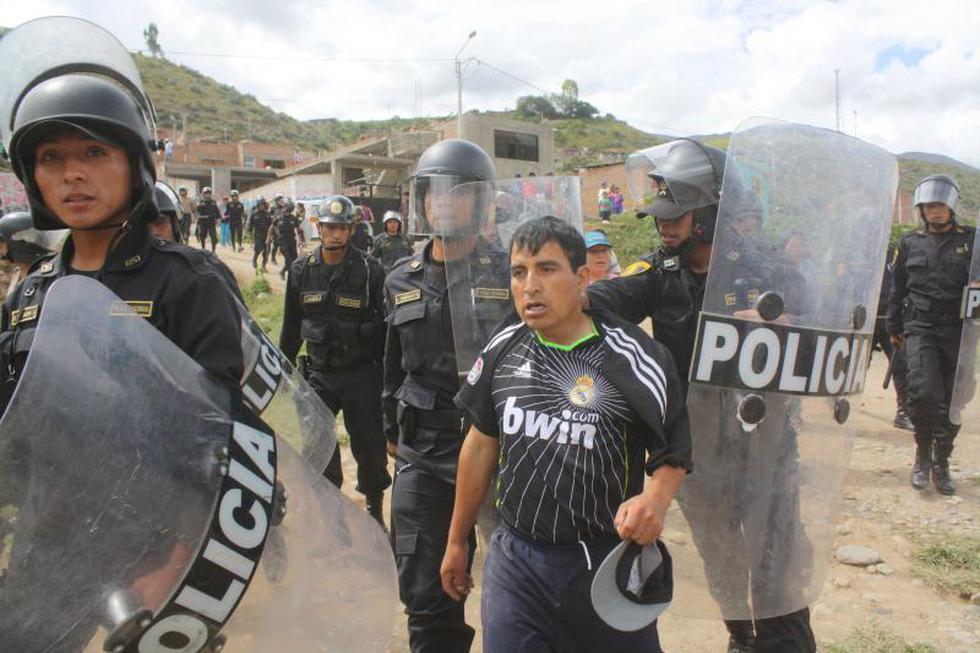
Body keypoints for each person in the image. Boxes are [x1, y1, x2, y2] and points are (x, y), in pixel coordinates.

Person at [588, 138, 816, 653]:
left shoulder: (767, 268)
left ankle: (781, 642)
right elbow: (605, 299)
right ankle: (740, 634)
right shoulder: (659, 271)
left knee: (775, 560)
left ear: (710, 213)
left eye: (678, 212)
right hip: (700, 449)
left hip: (766, 444)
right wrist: (561, 290)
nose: (664, 224)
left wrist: (787, 327)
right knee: (721, 553)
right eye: (661, 212)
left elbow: (827, 341)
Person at [440, 217, 690, 653]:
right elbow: (480, 444)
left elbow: (673, 449)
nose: (530, 286)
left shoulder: (635, 357)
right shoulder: (503, 347)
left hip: (604, 565)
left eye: (547, 269)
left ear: (581, 278)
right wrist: (457, 540)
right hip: (516, 563)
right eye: (519, 272)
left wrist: (655, 499)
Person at [0, 22, 243, 424]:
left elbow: (217, 427)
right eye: (50, 157)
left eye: (94, 152)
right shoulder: (28, 294)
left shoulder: (189, 283)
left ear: (135, 166)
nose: (72, 173)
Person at [383, 138, 509, 652]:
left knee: (520, 586)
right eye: (433, 194)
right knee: (425, 589)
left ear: (479, 204)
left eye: (456, 194)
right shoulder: (399, 279)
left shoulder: (508, 272)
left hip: (502, 451)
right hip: (425, 454)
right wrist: (391, 431)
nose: (442, 204)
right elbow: (389, 364)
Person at [280, 194, 391, 526]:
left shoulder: (372, 271)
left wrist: (388, 380)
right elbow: (291, 326)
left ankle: (374, 505)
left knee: (370, 447)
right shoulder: (301, 270)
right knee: (319, 445)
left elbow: (387, 330)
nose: (335, 235)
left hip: (361, 375)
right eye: (329, 227)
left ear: (351, 229)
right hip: (319, 376)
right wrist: (281, 371)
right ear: (319, 227)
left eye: (342, 228)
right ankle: (331, 514)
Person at [887, 173, 974, 495]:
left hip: (960, 330)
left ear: (950, 207)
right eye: (928, 206)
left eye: (940, 206)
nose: (935, 211)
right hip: (921, 328)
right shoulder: (909, 243)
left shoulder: (973, 241)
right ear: (921, 211)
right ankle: (922, 456)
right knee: (923, 395)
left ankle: (942, 462)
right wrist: (894, 327)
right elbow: (897, 289)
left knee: (953, 401)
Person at [875, 244, 912, 430]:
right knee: (852, 363)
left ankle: (904, 412)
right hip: (865, 317)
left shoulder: (897, 251)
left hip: (891, 317)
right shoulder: (858, 250)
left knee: (902, 364)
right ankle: (836, 403)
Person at [276, 200, 304, 279]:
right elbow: (272, 226)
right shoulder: (279, 217)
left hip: (291, 241)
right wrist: (269, 237)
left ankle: (288, 273)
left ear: (289, 209)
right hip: (282, 242)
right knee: (288, 259)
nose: (283, 208)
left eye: (285, 207)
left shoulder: (294, 218)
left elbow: (299, 230)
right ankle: (283, 272)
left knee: (294, 259)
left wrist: (301, 241)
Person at [246, 196, 273, 272]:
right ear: (258, 205)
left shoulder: (267, 214)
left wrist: (272, 235)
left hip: (267, 235)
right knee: (258, 248)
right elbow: (250, 224)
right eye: (261, 205)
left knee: (266, 252)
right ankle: (254, 260)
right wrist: (249, 231)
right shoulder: (254, 214)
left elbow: (271, 225)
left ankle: (264, 266)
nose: (262, 206)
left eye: (263, 205)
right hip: (258, 234)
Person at [195, 186, 220, 253]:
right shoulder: (200, 202)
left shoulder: (213, 202)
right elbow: (197, 212)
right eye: (206, 193)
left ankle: (213, 250)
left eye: (209, 193)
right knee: (202, 235)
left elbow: (217, 212)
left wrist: (217, 217)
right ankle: (203, 248)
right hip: (203, 222)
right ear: (203, 194)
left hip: (211, 222)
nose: (207, 195)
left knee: (213, 236)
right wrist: (199, 216)